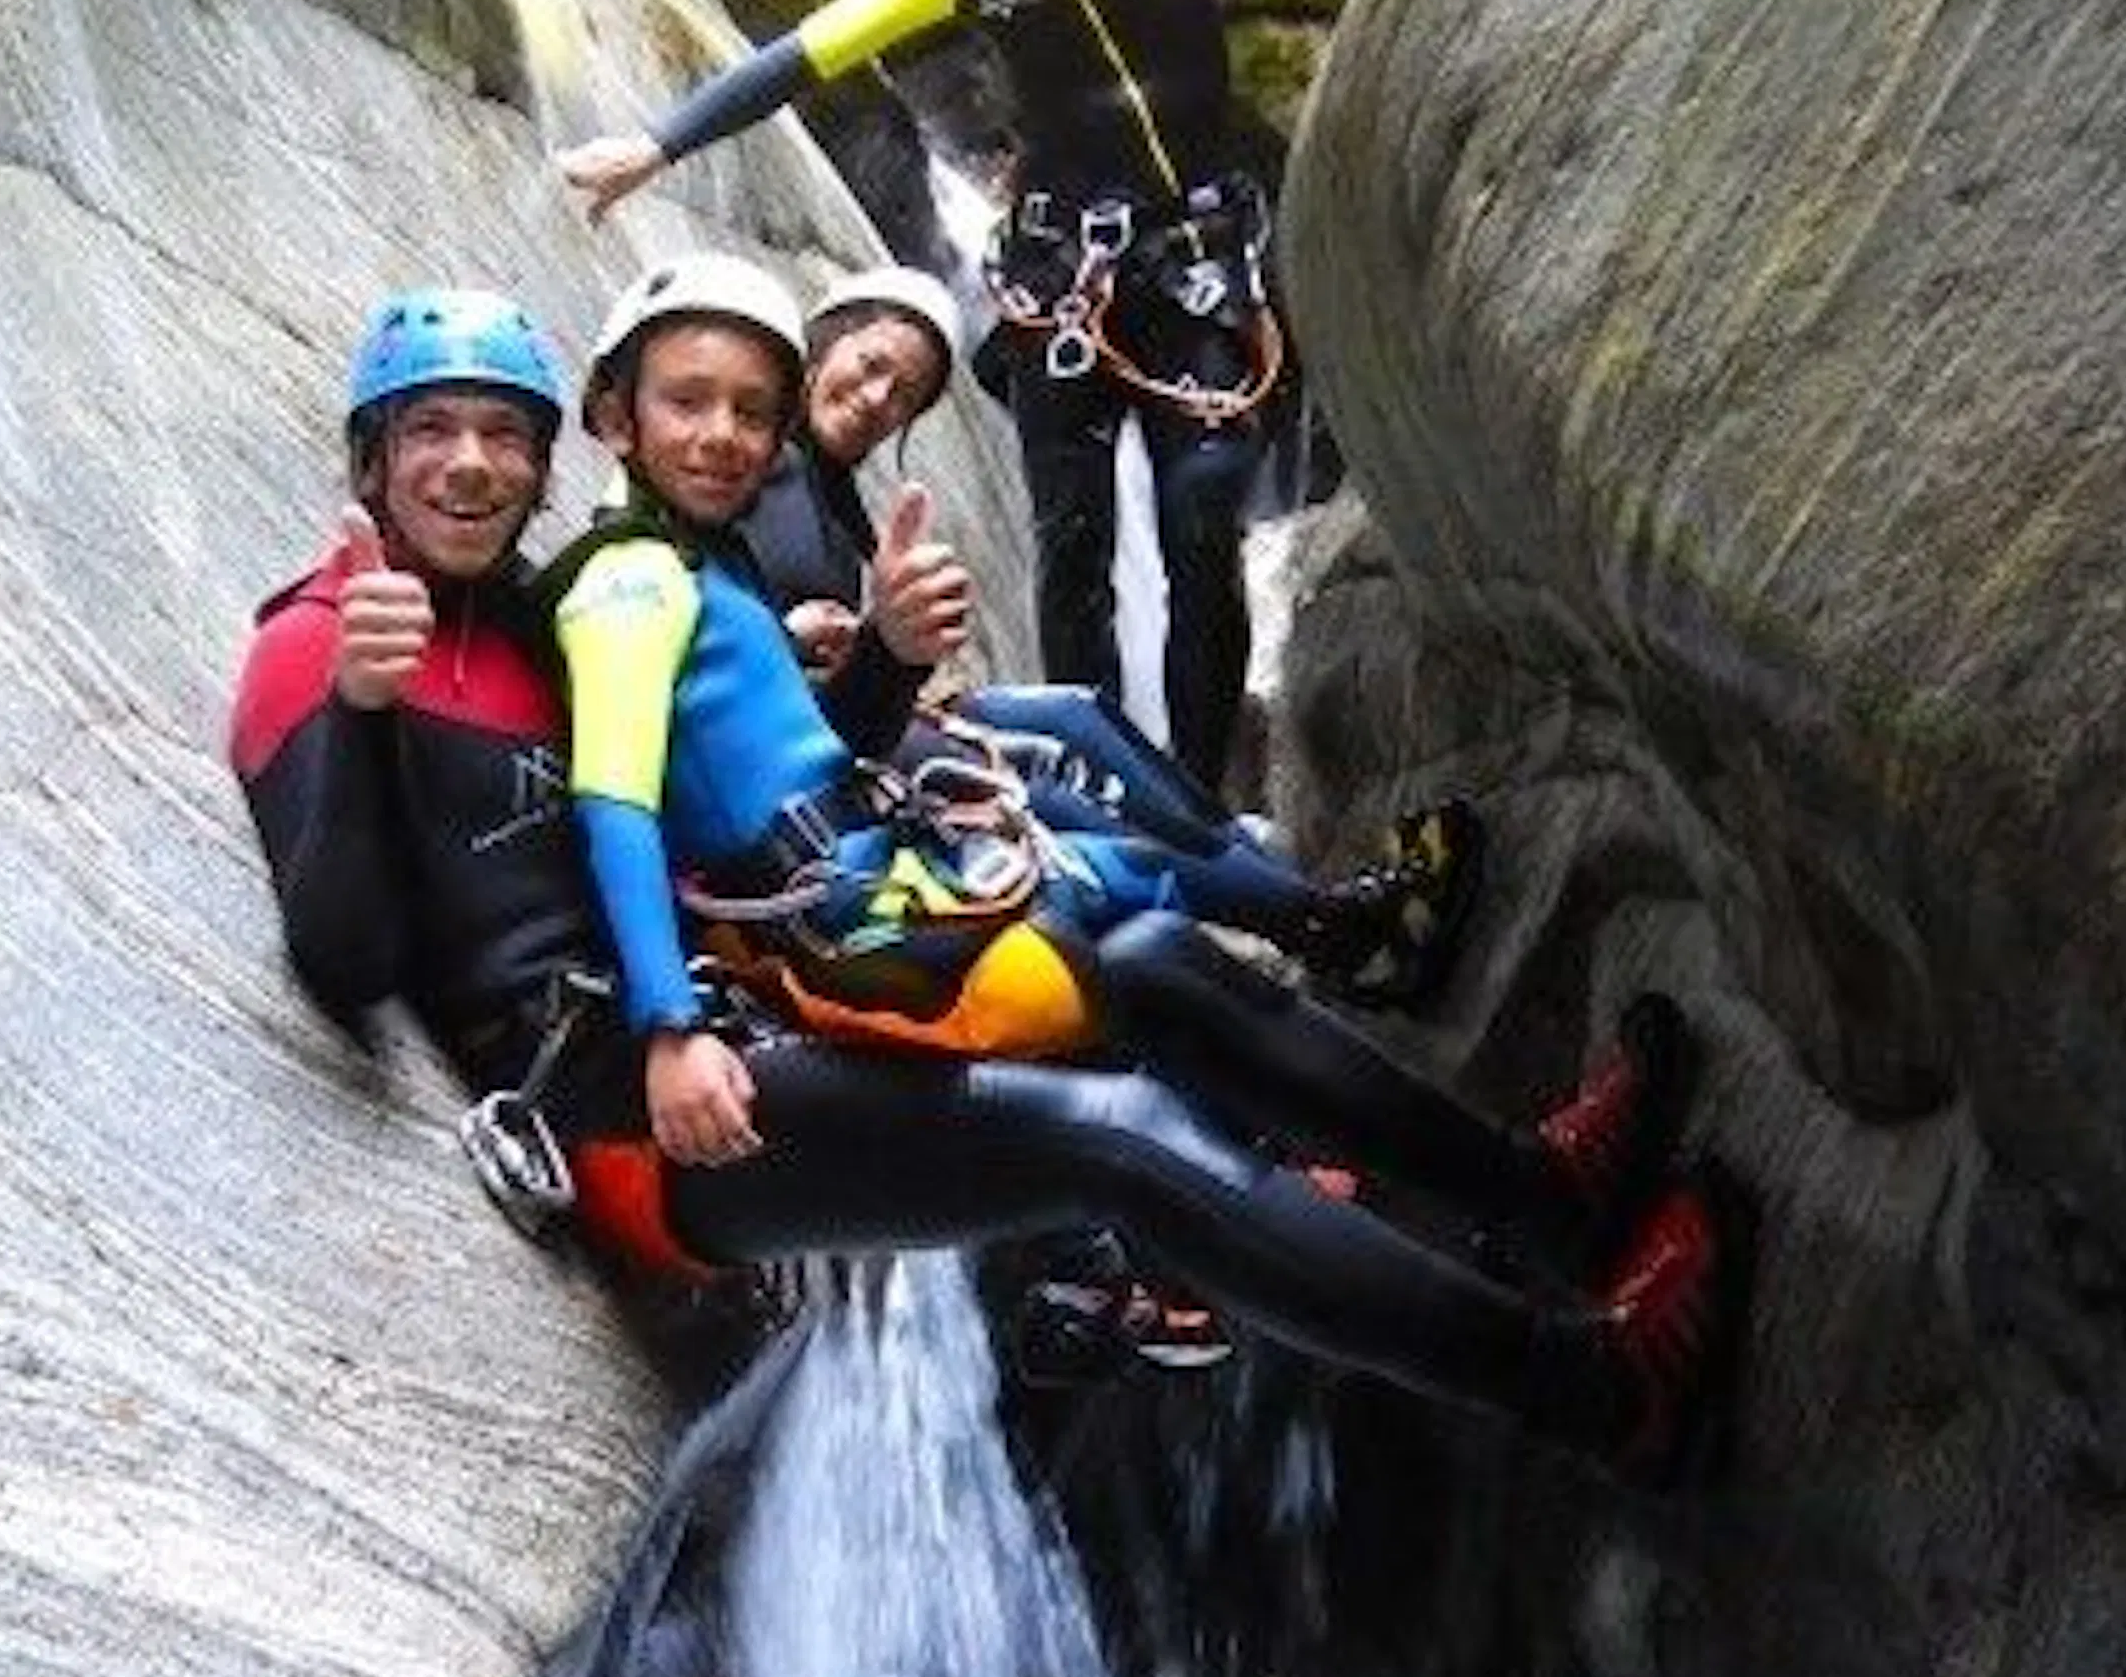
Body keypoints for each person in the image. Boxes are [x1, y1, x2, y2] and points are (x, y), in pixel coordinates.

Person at [227, 284, 1733, 1472]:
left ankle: (1536, 1197)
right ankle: (1594, 1395)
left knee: (1150, 964)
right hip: (634, 1106)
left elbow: (729, 806)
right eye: (433, 432)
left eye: (502, 432)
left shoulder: (537, 620)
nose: (473, 464)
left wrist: (879, 660)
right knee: (1117, 1142)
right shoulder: (323, 637)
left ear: (553, 453)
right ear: (372, 456)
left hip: (730, 1017)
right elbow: (346, 949)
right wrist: (363, 714)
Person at [558, 0, 1380, 790]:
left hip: (1192, 253)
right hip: (1061, 279)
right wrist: (657, 148)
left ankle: (1194, 791)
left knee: (1198, 518)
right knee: (1074, 540)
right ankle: (1088, 785)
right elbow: (806, 55)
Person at [758, 263, 1478, 1012]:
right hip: (822, 748)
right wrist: (801, 635)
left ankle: (1247, 864)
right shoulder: (751, 457)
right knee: (1049, 782)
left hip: (857, 716)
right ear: (822, 342)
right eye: (872, 367)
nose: (879, 400)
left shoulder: (833, 496)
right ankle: (1322, 921)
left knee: (1078, 714)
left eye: (905, 395)